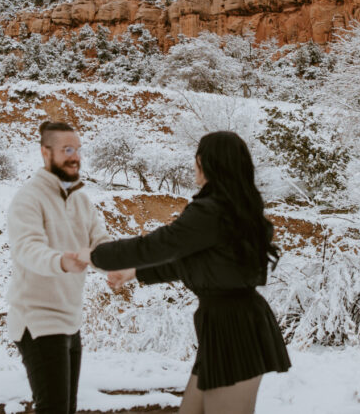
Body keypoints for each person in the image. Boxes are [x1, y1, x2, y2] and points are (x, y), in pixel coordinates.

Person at [71, 131, 290, 414]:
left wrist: (96, 256)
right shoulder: (232, 211)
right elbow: (190, 261)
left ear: (203, 162)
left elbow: (158, 245)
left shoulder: (211, 212)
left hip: (233, 331)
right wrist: (135, 272)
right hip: (228, 324)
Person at [6, 120, 111, 414]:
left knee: (66, 409)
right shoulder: (29, 198)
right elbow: (27, 249)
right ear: (45, 152)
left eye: (77, 149)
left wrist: (117, 265)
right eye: (66, 149)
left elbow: (100, 243)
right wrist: (61, 261)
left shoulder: (82, 201)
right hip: (37, 319)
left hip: (70, 320)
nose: (74, 155)